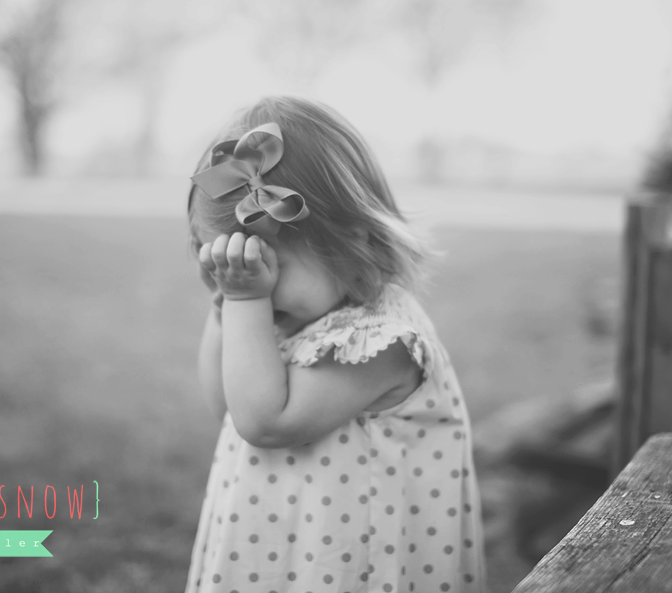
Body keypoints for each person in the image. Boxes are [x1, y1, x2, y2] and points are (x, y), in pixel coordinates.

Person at [185, 95, 486, 592]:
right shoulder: (280, 316)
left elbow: (264, 421)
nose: (253, 281)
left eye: (267, 263)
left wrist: (244, 299)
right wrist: (227, 302)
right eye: (234, 263)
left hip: (351, 568)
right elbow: (227, 409)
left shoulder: (382, 342)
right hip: (279, 555)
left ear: (351, 239)